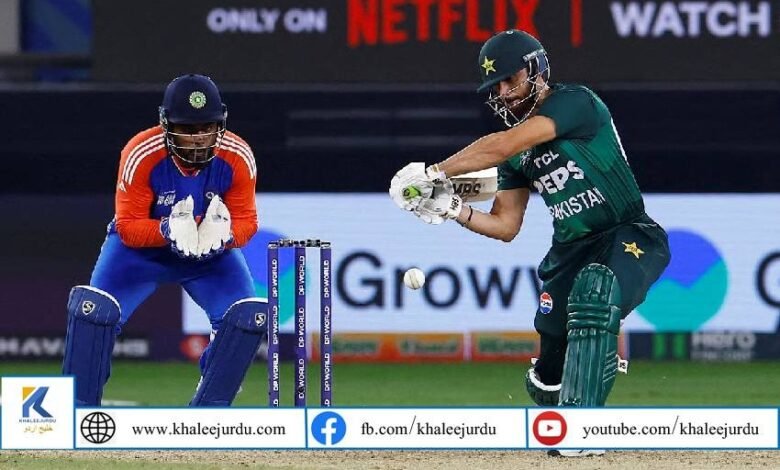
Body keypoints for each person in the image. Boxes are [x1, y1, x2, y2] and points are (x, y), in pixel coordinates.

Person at [390, 30, 671, 455]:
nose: (503, 92)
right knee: (547, 383)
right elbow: (505, 225)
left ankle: (583, 433)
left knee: (596, 292)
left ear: (536, 69)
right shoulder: (517, 158)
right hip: (568, 256)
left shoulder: (575, 103)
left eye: (510, 79)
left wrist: (434, 173)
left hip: (628, 234)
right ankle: (569, 399)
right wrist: (455, 210)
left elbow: (502, 144)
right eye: (496, 86)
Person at [62, 74, 266, 407]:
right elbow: (128, 226)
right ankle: (78, 409)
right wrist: (167, 230)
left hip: (206, 253)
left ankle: (209, 411)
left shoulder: (237, 154)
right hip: (141, 253)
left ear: (221, 123)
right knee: (94, 311)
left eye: (207, 128)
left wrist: (226, 236)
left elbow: (248, 221)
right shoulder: (141, 152)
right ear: (166, 125)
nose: (198, 139)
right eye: (187, 129)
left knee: (245, 317)